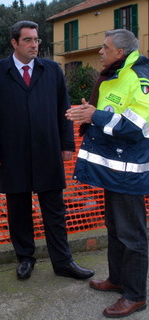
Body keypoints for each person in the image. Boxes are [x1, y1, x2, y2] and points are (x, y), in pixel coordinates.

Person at [0, 20, 94, 281]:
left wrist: (67, 145)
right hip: (12, 154)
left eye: (37, 40)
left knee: (54, 211)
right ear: (14, 43)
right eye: (28, 40)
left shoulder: (52, 70)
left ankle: (63, 262)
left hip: (47, 151)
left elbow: (63, 110)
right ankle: (25, 259)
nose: (34, 45)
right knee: (18, 211)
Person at [65, 29, 149, 318]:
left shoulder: (140, 77)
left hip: (128, 172)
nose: (100, 51)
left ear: (120, 53)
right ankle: (118, 280)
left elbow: (136, 127)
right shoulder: (117, 74)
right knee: (115, 230)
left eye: (105, 47)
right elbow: (113, 112)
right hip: (114, 170)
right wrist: (93, 112)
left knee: (132, 235)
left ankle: (136, 295)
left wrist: (94, 116)